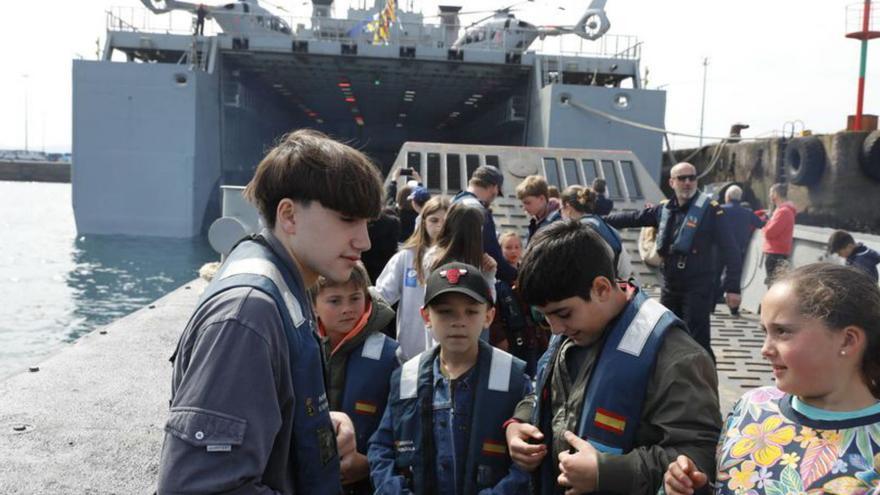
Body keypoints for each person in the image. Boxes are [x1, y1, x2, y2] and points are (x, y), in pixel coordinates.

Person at [157, 129, 384, 493]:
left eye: (366, 224)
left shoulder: (280, 282)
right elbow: (204, 487)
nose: (364, 241)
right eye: (347, 219)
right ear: (289, 215)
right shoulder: (248, 315)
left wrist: (313, 423)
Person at [504, 221, 721, 495]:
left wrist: (606, 474)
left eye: (563, 314)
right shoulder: (574, 328)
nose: (555, 329)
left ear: (602, 288)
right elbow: (547, 391)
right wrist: (520, 423)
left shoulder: (677, 357)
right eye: (543, 317)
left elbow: (699, 457)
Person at [663, 263, 880, 495]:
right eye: (764, 331)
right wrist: (691, 488)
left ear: (847, 340)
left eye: (782, 332)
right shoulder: (752, 406)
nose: (765, 349)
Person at [368, 262, 532, 495]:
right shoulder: (407, 377)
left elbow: (527, 460)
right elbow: (381, 447)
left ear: (488, 316)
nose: (459, 321)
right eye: (446, 312)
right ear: (426, 316)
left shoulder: (511, 378)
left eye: (471, 311)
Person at [605, 162, 742, 359]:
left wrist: (733, 287)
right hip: (670, 285)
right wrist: (600, 220)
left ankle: (705, 385)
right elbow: (634, 218)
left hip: (698, 286)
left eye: (692, 178)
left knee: (698, 341)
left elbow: (731, 249)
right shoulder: (664, 209)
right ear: (671, 182)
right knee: (666, 334)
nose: (687, 182)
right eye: (682, 178)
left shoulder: (711, 211)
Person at [312, 262, 400, 494]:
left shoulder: (392, 356)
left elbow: (404, 429)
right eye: (334, 301)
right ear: (313, 305)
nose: (347, 309)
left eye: (355, 298)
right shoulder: (297, 348)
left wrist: (370, 463)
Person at [375, 196, 449, 360]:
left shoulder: (457, 257)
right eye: (434, 220)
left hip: (446, 353)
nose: (439, 226)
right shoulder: (407, 257)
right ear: (423, 222)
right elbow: (382, 296)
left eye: (445, 221)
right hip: (409, 351)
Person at [453, 165, 517, 285]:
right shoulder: (479, 211)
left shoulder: (453, 203)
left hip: (450, 277)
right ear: (494, 187)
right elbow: (491, 253)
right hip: (472, 281)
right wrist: (515, 276)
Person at [560, 184, 633, 281]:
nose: (560, 213)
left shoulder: (574, 233)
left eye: (561, 209)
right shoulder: (610, 230)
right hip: (610, 289)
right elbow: (625, 271)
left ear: (568, 207)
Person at [715, 185, 765, 314]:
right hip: (737, 251)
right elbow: (761, 224)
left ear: (727, 197)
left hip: (719, 249)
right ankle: (733, 309)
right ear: (739, 198)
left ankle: (710, 306)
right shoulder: (747, 213)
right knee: (734, 280)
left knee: (714, 277)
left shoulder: (720, 210)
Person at [762, 183, 796, 287]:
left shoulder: (783, 212)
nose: (769, 196)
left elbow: (770, 232)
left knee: (773, 284)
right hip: (779, 252)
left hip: (775, 253)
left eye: (771, 193)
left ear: (776, 194)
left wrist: (764, 227)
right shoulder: (783, 211)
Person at [516, 175, 562, 241]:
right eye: (523, 204)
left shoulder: (558, 223)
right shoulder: (534, 223)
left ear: (541, 199)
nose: (524, 208)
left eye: (528, 203)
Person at [363, 206, 401, 284]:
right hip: (383, 268)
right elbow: (393, 249)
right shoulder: (392, 222)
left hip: (364, 265)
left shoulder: (356, 221)